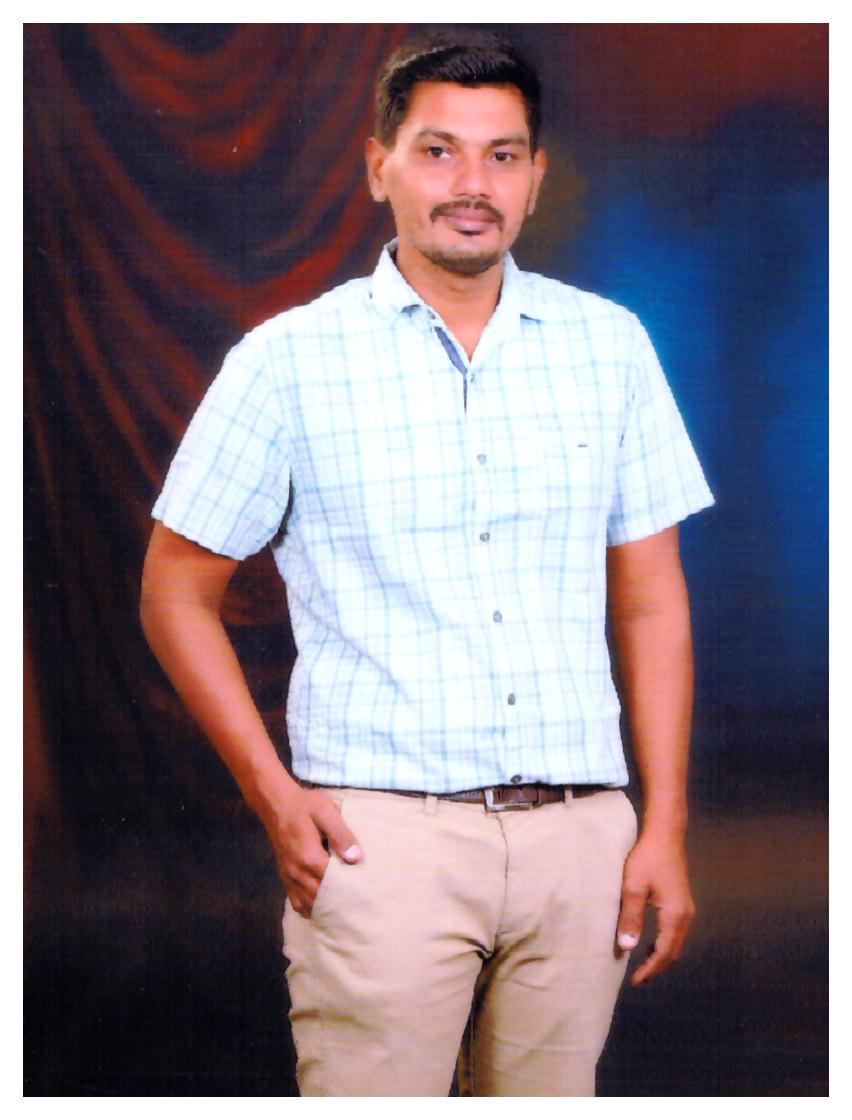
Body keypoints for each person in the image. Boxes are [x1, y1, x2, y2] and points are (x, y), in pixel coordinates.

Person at [140, 30, 714, 1097]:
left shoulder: (611, 346)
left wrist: (664, 825)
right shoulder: (288, 362)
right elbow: (174, 590)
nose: (472, 185)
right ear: (379, 167)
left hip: (581, 842)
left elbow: (650, 601)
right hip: (381, 841)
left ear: (536, 178)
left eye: (503, 156)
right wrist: (274, 795)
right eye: (439, 151)